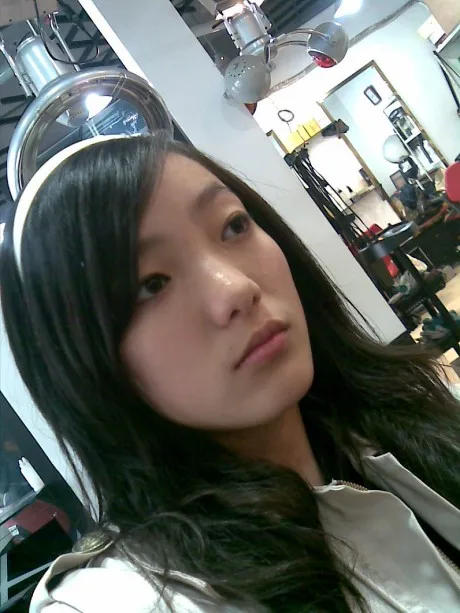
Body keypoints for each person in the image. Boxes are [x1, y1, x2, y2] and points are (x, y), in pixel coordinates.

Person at [1, 132, 459, 613]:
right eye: (151, 284)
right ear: (85, 365)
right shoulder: (133, 598)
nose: (236, 289)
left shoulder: (408, 416)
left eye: (234, 226)